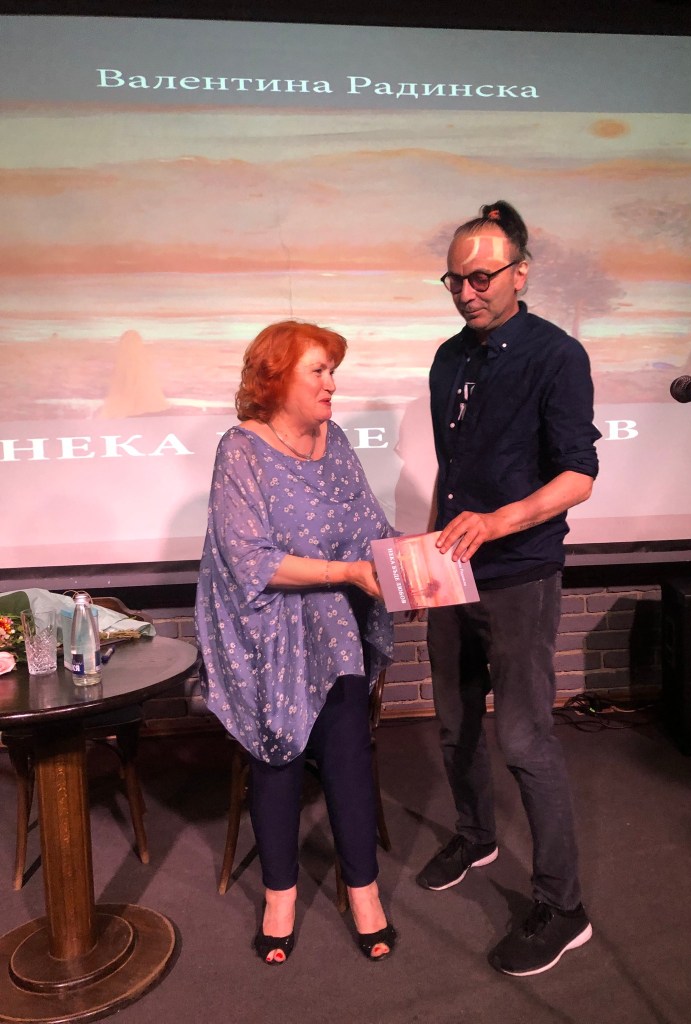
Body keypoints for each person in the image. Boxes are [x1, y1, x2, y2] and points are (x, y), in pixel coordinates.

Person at [417, 201, 600, 977]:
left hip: (521, 574)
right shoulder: (447, 358)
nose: (467, 292)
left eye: (481, 277)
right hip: (450, 574)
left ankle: (564, 908)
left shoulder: (557, 355)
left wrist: (496, 523)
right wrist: (426, 554)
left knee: (524, 740)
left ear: (520, 273)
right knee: (455, 723)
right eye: (454, 280)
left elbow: (579, 476)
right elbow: (452, 471)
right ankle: (476, 835)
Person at [195, 320, 397, 965]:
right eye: (319, 371)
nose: (332, 384)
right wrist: (345, 572)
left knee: (347, 753)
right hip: (264, 633)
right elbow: (249, 559)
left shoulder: (336, 443)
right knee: (277, 758)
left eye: (333, 371)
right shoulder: (241, 450)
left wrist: (416, 565)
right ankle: (279, 897)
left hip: (333, 626)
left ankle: (364, 893)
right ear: (276, 379)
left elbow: (370, 527)